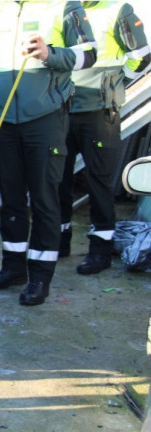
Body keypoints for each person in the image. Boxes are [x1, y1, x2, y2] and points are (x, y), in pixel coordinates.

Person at [0, 1, 97, 306]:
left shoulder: (65, 6)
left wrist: (52, 54)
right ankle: (13, 268)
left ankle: (39, 276)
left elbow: (90, 54)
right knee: (10, 199)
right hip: (4, 119)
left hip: (46, 118)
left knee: (44, 198)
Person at [57, 1, 150, 274]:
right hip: (62, 109)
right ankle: (59, 241)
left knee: (99, 182)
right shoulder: (59, 9)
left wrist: (116, 83)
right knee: (57, 179)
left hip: (100, 112)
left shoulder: (117, 10)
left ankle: (100, 251)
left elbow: (142, 55)